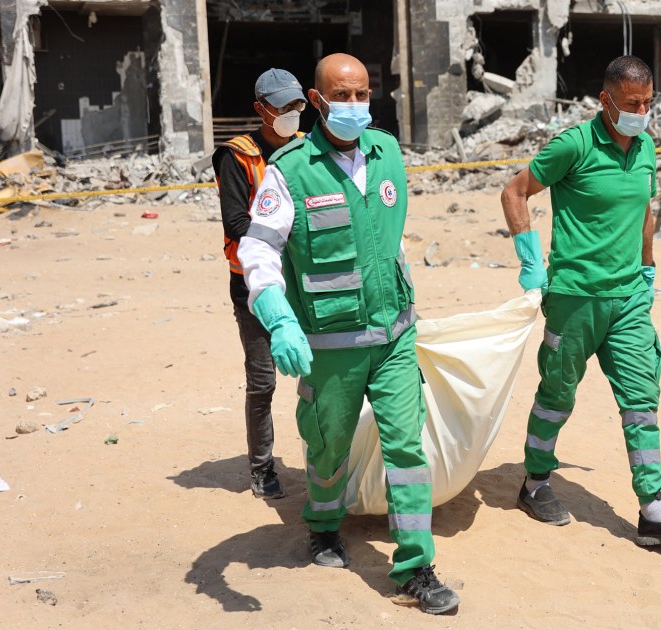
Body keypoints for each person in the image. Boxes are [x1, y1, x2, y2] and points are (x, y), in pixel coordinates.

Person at [236, 53, 459, 615]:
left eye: (363, 95)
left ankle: (416, 566)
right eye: (343, 96)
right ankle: (324, 525)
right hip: (329, 346)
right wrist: (279, 317)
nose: (356, 106)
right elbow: (257, 249)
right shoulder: (290, 170)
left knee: (407, 445)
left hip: (393, 337)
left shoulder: (387, 154)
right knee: (328, 445)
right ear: (317, 102)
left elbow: (389, 238)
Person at [500, 56, 661, 547]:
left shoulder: (647, 147)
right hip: (574, 297)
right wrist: (531, 265)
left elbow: (646, 213)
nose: (641, 111)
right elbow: (515, 192)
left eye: (648, 102)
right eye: (632, 103)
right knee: (557, 396)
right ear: (606, 101)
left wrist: (649, 269)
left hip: (629, 300)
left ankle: (652, 508)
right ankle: (536, 483)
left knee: (642, 400)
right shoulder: (574, 145)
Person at [213, 68, 307, 500]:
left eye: (298, 105)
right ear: (261, 110)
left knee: (322, 373)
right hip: (252, 283)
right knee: (263, 379)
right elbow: (235, 221)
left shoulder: (305, 149)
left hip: (304, 281)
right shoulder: (237, 156)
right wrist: (279, 237)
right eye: (284, 107)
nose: (293, 114)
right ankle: (262, 467)